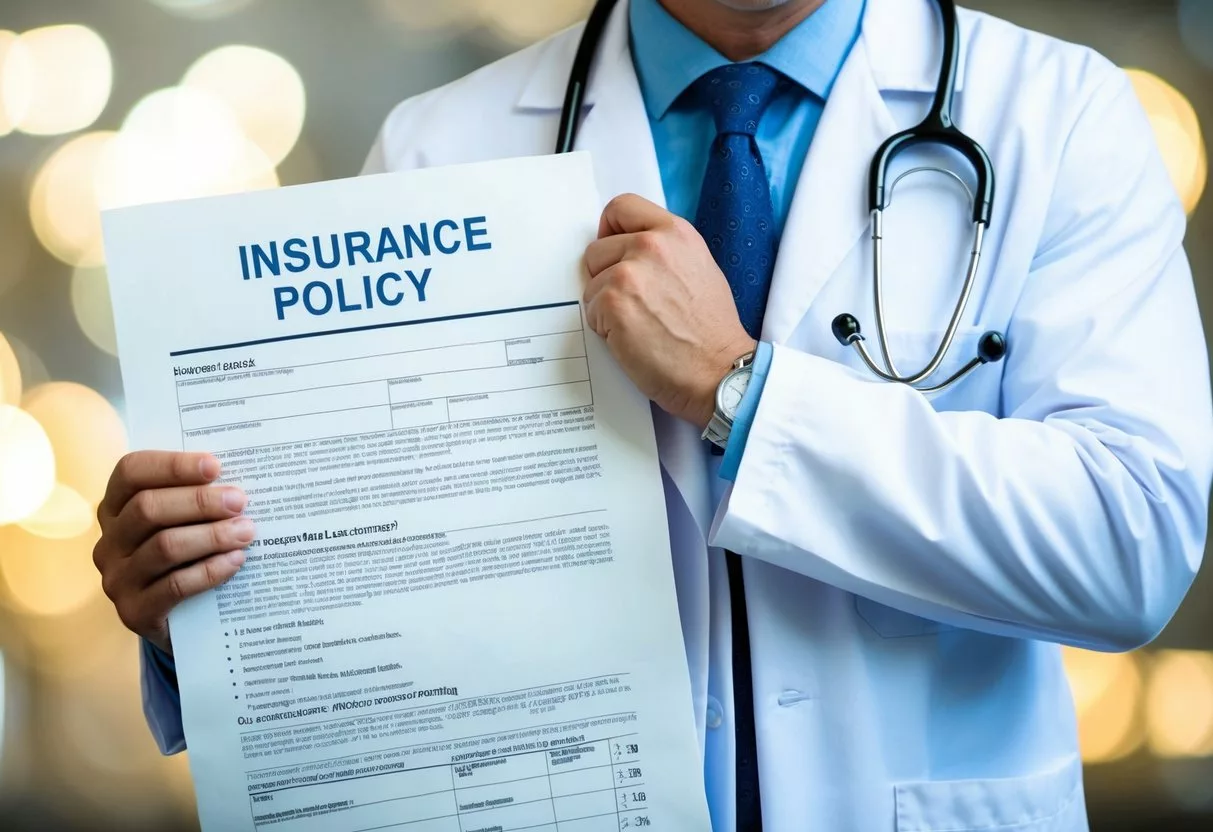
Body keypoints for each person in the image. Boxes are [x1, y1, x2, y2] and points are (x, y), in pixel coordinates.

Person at [93, 0, 1213, 829]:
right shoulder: (444, 144)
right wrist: (203, 610)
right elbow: (398, 590)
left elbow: (1130, 542)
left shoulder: (1059, 114)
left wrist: (737, 389)